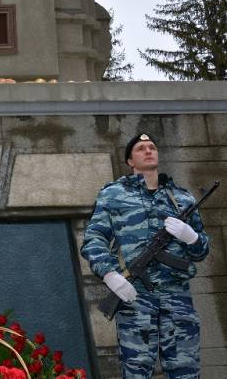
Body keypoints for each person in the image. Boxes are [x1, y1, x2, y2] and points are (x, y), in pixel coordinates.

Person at [81, 133, 209, 379]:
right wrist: (110, 275)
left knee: (186, 373)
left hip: (177, 297)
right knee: (137, 372)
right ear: (130, 160)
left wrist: (191, 237)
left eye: (152, 147)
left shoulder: (182, 198)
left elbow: (201, 251)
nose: (149, 151)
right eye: (141, 148)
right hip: (135, 296)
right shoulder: (114, 194)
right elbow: (93, 239)